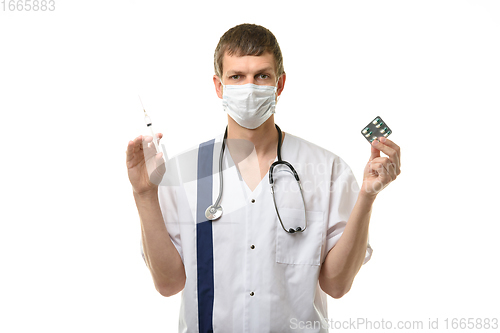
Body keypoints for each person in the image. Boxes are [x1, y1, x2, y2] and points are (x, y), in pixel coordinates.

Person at [126, 23, 401, 333]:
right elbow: (167, 283)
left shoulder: (328, 170)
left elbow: (336, 286)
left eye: (262, 76)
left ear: (279, 84)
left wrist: (367, 196)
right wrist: (144, 195)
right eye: (236, 77)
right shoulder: (185, 172)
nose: (250, 87)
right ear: (219, 86)